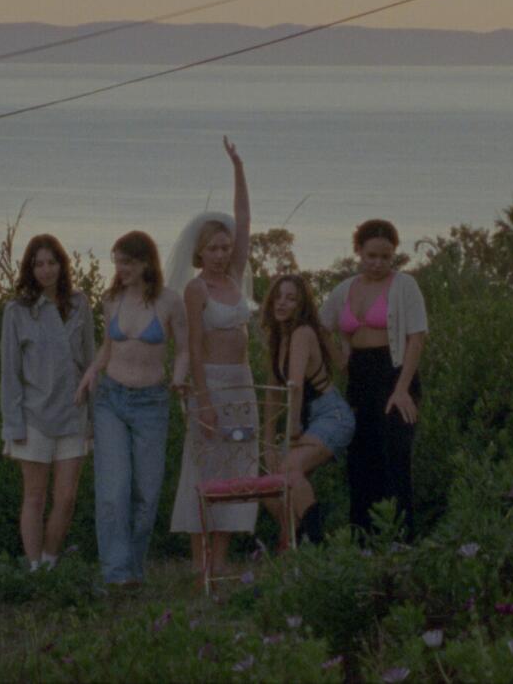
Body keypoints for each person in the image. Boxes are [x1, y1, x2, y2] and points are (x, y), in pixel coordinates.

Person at [167, 136, 258, 577]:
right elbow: (195, 350)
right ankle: (200, 567)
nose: (223, 254)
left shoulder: (237, 277)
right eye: (215, 249)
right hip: (212, 387)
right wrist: (202, 401)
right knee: (204, 473)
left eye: (226, 247)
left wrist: (237, 168)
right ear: (201, 252)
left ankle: (220, 566)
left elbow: (244, 218)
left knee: (236, 472)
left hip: (243, 384)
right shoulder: (196, 289)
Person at [76, 231, 188, 586]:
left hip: (151, 404)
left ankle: (133, 569)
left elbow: (184, 349)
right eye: (118, 263)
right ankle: (116, 575)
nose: (120, 269)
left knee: (145, 493)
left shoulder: (170, 302)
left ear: (145, 263)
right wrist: (92, 371)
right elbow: (108, 348)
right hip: (111, 399)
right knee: (113, 490)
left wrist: (180, 379)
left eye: (127, 262)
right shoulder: (112, 299)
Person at [320, 219, 427, 537]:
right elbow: (321, 326)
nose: (378, 263)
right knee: (361, 460)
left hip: (395, 373)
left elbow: (416, 338)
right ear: (359, 252)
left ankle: (401, 540)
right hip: (360, 376)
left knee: (395, 457)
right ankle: (362, 540)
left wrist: (403, 389)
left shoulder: (404, 286)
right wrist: (341, 361)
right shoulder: (343, 290)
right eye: (372, 256)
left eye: (385, 256)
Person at [0, 234, 95, 571]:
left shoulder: (80, 304)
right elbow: (10, 373)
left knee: (66, 498)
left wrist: (94, 418)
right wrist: (13, 426)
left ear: (61, 265)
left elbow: (91, 361)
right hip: (33, 418)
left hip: (74, 414)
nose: (45, 270)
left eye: (51, 262)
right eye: (38, 264)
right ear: (30, 268)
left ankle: (51, 563)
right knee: (35, 497)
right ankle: (35, 569)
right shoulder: (17, 312)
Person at [261, 274, 355, 546]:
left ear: (301, 305)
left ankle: (317, 544)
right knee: (270, 487)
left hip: (330, 415)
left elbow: (295, 387)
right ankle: (292, 547)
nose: (282, 303)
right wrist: (268, 442)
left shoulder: (302, 333)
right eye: (278, 297)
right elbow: (272, 393)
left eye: (291, 299)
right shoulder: (278, 337)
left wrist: (291, 433)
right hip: (304, 418)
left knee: (290, 469)